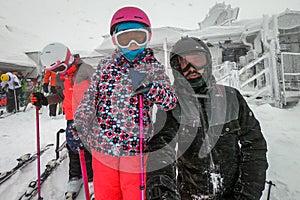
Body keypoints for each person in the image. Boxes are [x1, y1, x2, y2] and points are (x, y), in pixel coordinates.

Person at [72, 6, 177, 200]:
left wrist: (151, 88)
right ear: (115, 40)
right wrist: (79, 126)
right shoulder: (105, 66)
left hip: (135, 149)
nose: (133, 44)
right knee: (106, 195)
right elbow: (89, 100)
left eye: (139, 36)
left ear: (148, 36)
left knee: (134, 195)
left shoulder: (153, 67)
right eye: (125, 38)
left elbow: (170, 101)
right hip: (103, 146)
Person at [146, 36, 268, 200]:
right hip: (191, 195)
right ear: (176, 68)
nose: (191, 68)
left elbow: (255, 146)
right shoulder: (172, 106)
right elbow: (161, 151)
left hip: (235, 194)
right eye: (183, 63)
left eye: (197, 61)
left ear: (208, 62)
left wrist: (247, 193)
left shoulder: (231, 98)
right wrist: (162, 192)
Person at [30, 42, 95, 199]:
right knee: (73, 148)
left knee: (89, 149)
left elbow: (100, 93)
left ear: (68, 58)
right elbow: (61, 96)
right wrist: (45, 100)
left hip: (89, 118)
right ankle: (75, 176)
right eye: (54, 71)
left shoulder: (87, 70)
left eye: (59, 68)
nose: (58, 72)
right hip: (71, 118)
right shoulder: (60, 77)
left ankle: (92, 178)